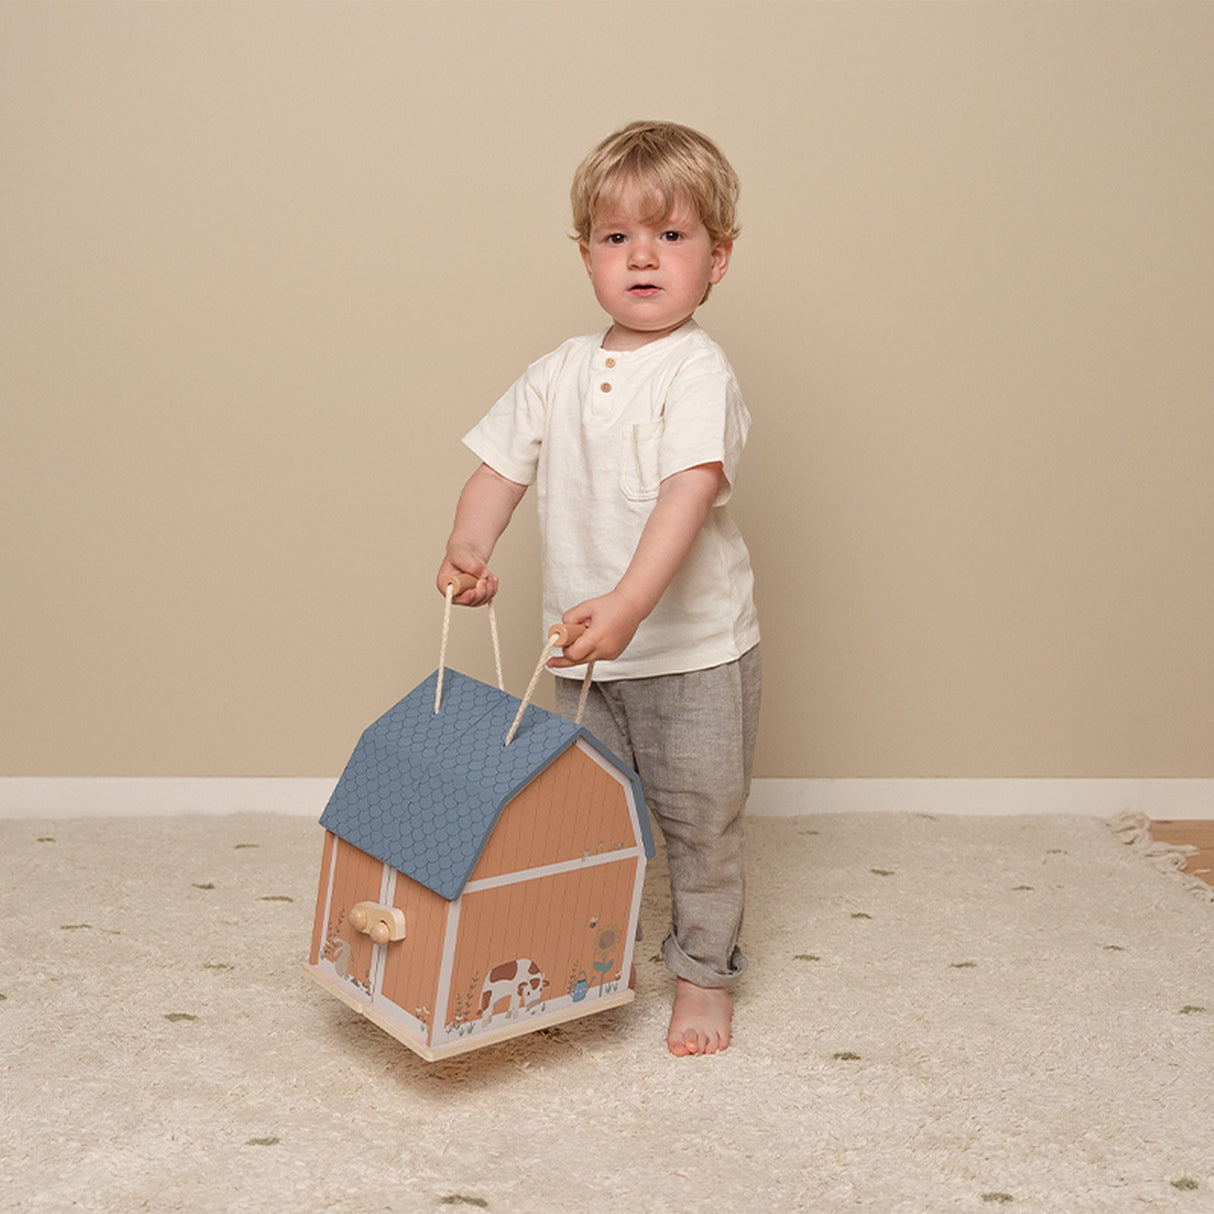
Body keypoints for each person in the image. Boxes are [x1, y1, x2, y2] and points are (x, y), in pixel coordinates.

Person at [436, 120, 760, 1056]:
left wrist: (628, 605)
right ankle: (591, 955)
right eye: (618, 238)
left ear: (718, 259)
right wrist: (468, 545)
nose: (643, 258)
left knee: (702, 824)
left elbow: (686, 493)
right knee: (581, 817)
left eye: (672, 236)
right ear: (586, 256)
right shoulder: (558, 373)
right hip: (578, 658)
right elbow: (499, 469)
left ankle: (704, 974)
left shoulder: (697, 371)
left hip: (692, 654)